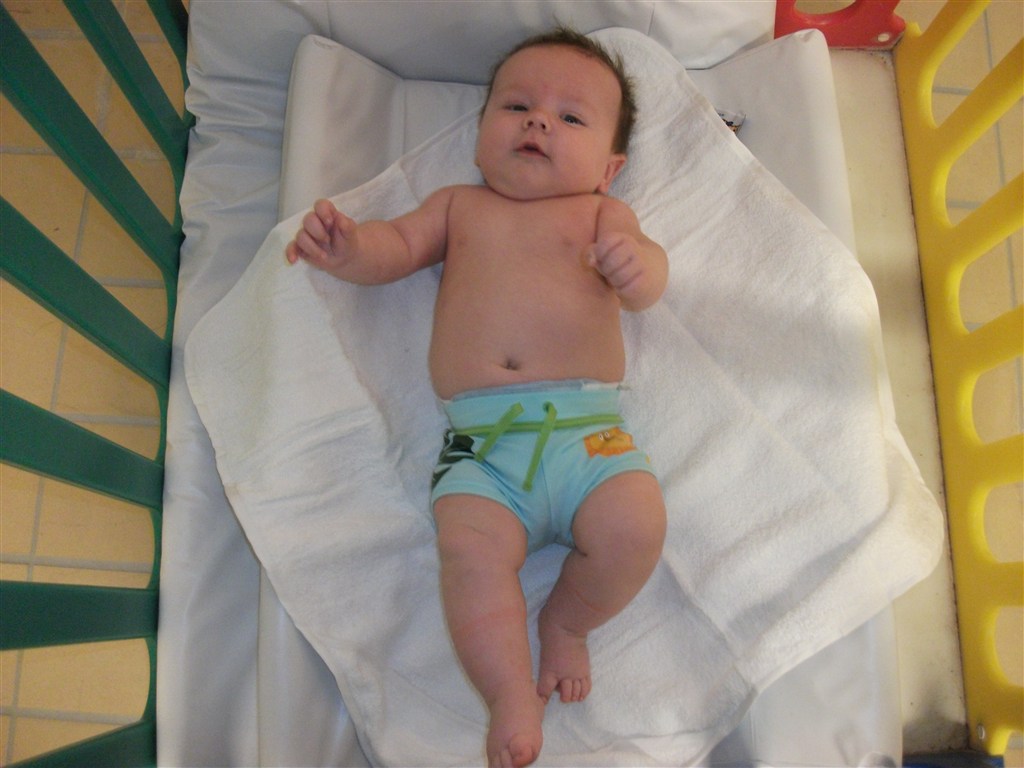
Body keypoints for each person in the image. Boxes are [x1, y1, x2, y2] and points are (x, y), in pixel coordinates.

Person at [286, 27, 668, 768]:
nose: (539, 122)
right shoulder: (458, 206)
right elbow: (395, 248)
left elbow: (651, 280)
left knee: (637, 527)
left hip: (589, 438)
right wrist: (350, 249)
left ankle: (567, 623)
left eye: (570, 117)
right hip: (483, 452)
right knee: (468, 555)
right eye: (517, 106)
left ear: (609, 169)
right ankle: (508, 694)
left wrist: (635, 267)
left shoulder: (600, 218)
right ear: (481, 131)